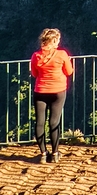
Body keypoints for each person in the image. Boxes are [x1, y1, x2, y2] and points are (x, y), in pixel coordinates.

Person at [30, 28, 74, 164]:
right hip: (58, 91)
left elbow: (34, 74)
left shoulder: (36, 56)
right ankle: (55, 153)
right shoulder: (62, 54)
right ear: (54, 40)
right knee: (54, 122)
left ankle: (43, 153)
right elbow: (69, 71)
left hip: (40, 91)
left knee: (39, 123)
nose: (59, 42)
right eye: (58, 40)